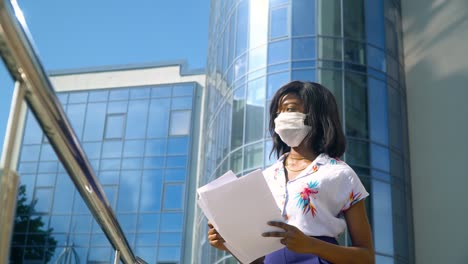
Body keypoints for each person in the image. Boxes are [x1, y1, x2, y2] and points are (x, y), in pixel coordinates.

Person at [207, 81, 374, 264]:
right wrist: (230, 244)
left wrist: (311, 245)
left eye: (290, 109)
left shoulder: (340, 173)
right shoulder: (265, 178)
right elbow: (258, 261)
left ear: (316, 114)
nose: (281, 117)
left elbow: (366, 258)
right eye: (278, 112)